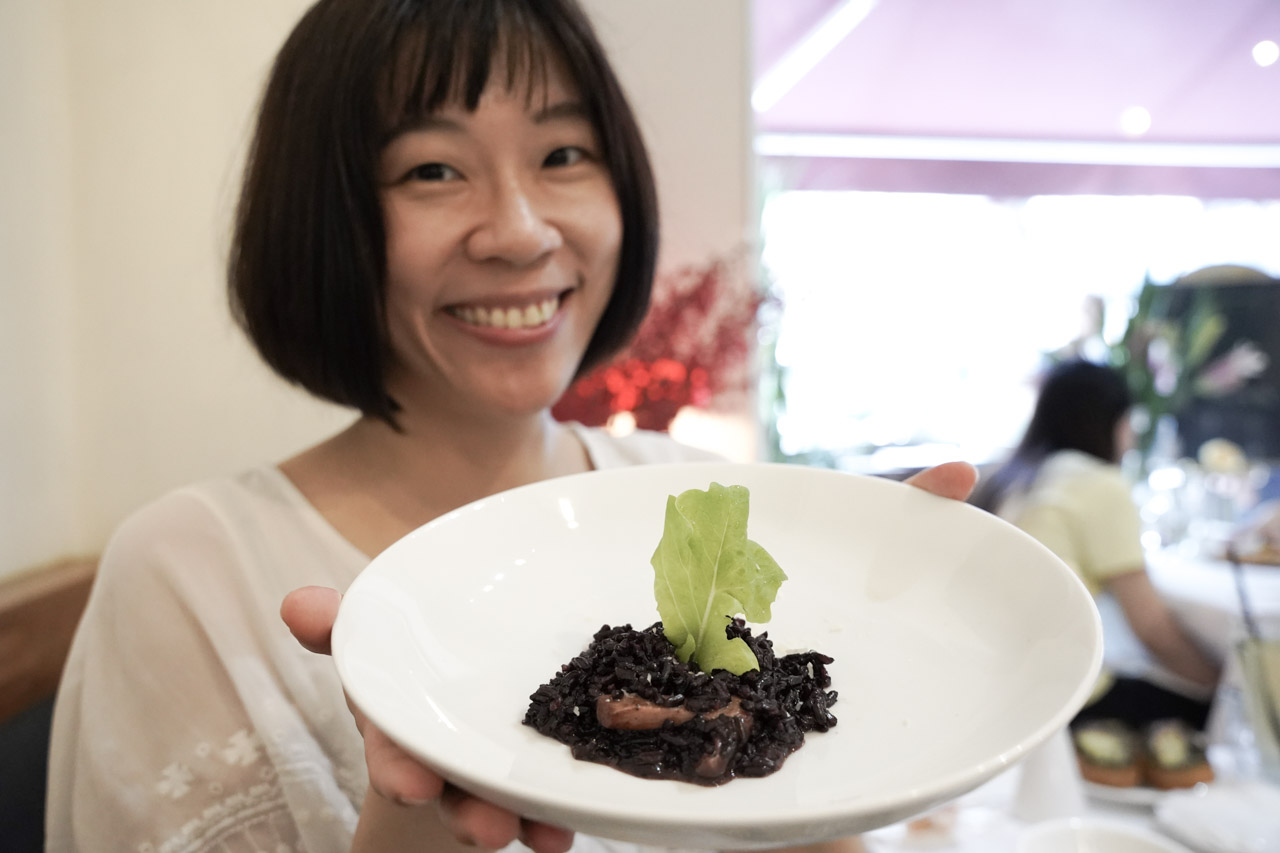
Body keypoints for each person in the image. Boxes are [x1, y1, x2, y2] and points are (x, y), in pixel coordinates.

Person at [45, 1, 977, 851]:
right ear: (323, 221)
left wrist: (850, 748)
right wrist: (415, 812)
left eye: (563, 154)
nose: (521, 232)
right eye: (433, 169)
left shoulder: (679, 490)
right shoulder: (190, 568)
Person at [972, 359, 1221, 731]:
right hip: (1057, 697)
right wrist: (1223, 686)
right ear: (1112, 422)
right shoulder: (1097, 483)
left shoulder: (1007, 476)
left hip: (989, 679)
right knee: (1210, 710)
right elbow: (1152, 628)